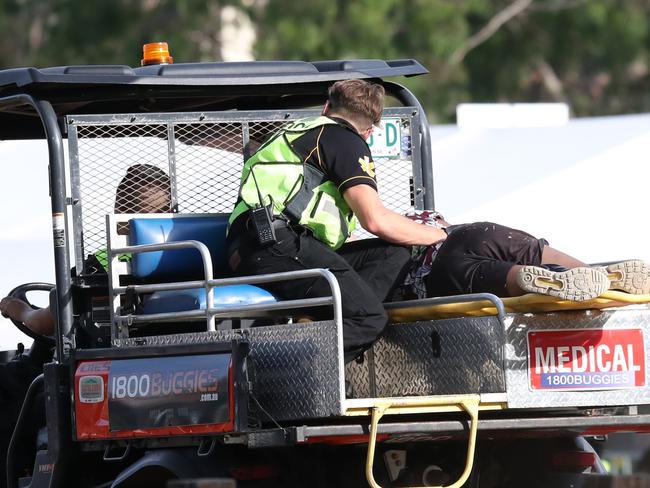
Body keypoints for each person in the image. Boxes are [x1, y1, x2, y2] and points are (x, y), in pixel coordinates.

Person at [226, 79, 448, 362]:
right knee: (368, 318)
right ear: (369, 131)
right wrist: (441, 236)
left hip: (254, 244)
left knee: (392, 254)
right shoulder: (343, 140)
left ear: (327, 107)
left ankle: (328, 318)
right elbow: (376, 221)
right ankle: (292, 375)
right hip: (274, 245)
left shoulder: (298, 131)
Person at [0, 164, 172, 335]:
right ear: (170, 213)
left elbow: (44, 324)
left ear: (117, 213)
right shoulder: (187, 255)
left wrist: (17, 309)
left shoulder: (103, 263)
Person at [402, 211, 650, 302]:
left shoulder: (385, 241)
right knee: (532, 250)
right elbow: (444, 224)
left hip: (436, 267)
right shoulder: (422, 216)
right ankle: (595, 275)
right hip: (471, 232)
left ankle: (543, 282)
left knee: (494, 277)